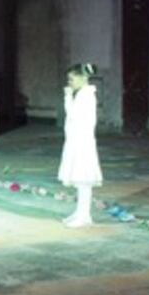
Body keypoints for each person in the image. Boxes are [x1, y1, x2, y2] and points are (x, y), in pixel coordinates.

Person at [58, 62, 103, 228]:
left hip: (82, 142)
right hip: (75, 140)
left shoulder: (87, 95)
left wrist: (68, 97)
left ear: (82, 78)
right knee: (78, 179)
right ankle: (79, 212)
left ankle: (85, 216)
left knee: (83, 179)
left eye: (71, 79)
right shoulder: (82, 94)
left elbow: (74, 115)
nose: (69, 82)